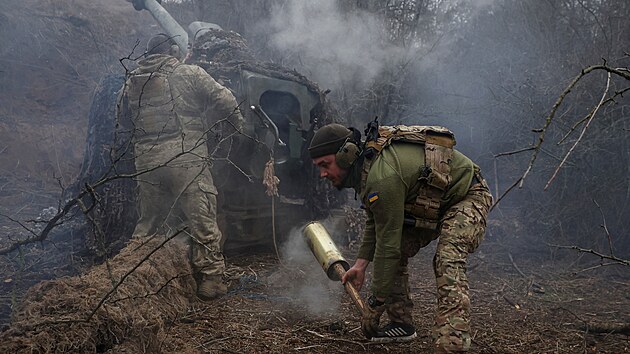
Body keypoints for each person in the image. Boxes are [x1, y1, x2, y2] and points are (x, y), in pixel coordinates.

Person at [309, 123, 492, 353]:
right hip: (434, 204)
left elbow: (388, 245)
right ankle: (401, 323)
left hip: (468, 196)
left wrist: (375, 305)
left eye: (325, 165)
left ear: (346, 156)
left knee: (447, 259)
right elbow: (376, 220)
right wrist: (360, 263)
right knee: (399, 250)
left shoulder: (381, 177)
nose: (323, 173)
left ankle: (452, 344)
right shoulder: (367, 169)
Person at [117, 34, 244, 300]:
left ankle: (130, 275)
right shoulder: (189, 73)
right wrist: (237, 127)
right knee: (201, 218)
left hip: (148, 161)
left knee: (149, 222)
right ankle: (211, 279)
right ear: (173, 51)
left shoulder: (131, 83)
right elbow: (227, 101)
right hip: (186, 159)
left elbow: (123, 122)